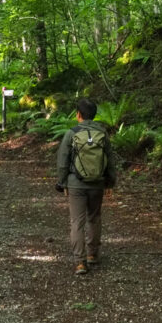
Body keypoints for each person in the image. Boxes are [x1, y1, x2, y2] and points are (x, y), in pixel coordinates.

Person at [55, 98, 117, 275]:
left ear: (78, 115)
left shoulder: (71, 133)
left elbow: (62, 161)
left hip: (76, 184)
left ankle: (80, 262)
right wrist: (110, 182)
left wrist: (62, 182)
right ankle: (93, 254)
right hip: (97, 183)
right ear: (95, 115)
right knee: (94, 218)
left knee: (77, 222)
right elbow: (110, 160)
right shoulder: (103, 133)